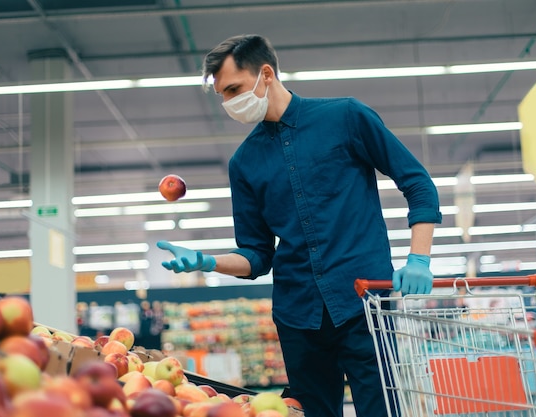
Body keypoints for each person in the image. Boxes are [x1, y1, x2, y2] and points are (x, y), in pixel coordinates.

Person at [157, 34, 442, 417]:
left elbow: (418, 184)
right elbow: (257, 256)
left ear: (266, 74)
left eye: (234, 89)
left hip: (366, 306)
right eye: (222, 95)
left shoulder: (346, 117)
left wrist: (419, 258)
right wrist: (207, 262)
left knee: (383, 409)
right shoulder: (244, 163)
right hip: (298, 317)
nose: (229, 103)